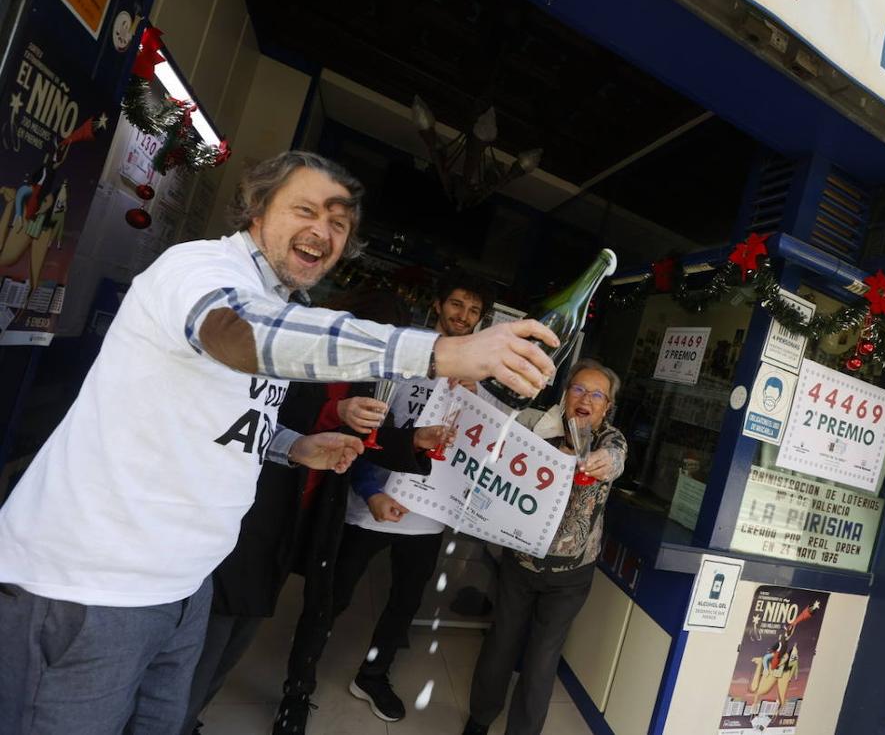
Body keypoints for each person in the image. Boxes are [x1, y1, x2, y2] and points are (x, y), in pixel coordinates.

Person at [0, 150, 559, 735]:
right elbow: (238, 334)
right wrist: (440, 352)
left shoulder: (279, 302)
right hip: (89, 588)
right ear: (258, 207)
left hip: (184, 585)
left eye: (340, 223)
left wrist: (293, 445)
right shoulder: (198, 270)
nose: (324, 231)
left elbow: (220, 411)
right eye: (307, 209)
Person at [178, 290, 435, 735]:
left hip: (304, 517)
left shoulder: (364, 377)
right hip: (257, 512)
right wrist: (333, 409)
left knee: (246, 623)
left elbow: (367, 438)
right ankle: (176, 719)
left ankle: (191, 715)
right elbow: (265, 414)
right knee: (216, 627)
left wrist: (412, 442)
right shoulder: (299, 357)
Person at [272, 273, 496, 733]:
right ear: (437, 304)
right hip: (366, 504)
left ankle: (373, 676)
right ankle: (298, 689)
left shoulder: (480, 376)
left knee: (404, 604)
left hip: (428, 517)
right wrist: (371, 490)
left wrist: (479, 405)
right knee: (328, 600)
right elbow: (366, 428)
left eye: (474, 311)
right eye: (457, 303)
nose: (463, 316)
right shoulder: (401, 354)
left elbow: (487, 447)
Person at [462, 359, 628, 735]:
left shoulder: (610, 441)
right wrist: (471, 395)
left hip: (570, 578)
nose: (586, 398)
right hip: (519, 564)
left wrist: (601, 462)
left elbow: (614, 461)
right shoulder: (536, 423)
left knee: (541, 662)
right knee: (500, 644)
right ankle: (479, 718)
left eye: (597, 394)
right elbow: (497, 422)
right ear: (566, 394)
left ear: (607, 407)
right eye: (578, 389)